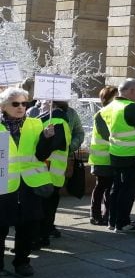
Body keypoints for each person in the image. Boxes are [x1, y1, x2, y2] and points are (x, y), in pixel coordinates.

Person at [0, 87, 66, 277]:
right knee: (1, 226)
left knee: (28, 224)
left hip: (31, 182)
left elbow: (41, 154)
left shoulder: (35, 124)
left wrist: (47, 138)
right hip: (4, 181)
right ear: (4, 106)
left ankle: (22, 261)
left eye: (24, 103)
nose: (21, 107)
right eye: (15, 104)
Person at [30, 97, 83, 248]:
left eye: (44, 101)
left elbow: (46, 150)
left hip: (48, 172)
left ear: (53, 104)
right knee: (48, 208)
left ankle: (41, 238)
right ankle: (43, 236)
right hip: (51, 172)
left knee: (45, 209)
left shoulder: (57, 121)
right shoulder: (50, 118)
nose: (40, 104)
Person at [100, 78, 135, 232]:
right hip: (133, 155)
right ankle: (123, 222)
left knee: (116, 188)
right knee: (128, 190)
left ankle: (112, 221)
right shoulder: (133, 107)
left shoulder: (107, 108)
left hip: (115, 153)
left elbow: (103, 132)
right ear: (131, 91)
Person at [88, 85, 118, 226]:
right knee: (101, 187)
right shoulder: (101, 115)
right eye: (116, 96)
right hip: (102, 158)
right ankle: (95, 215)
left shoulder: (111, 113)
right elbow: (107, 135)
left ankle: (107, 214)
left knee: (108, 188)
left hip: (110, 157)